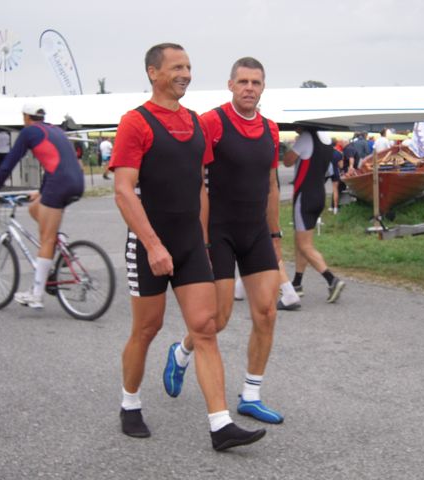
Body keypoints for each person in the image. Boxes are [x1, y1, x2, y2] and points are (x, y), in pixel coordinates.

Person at [110, 43, 265, 451]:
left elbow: (200, 187)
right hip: (149, 245)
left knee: (205, 328)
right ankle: (130, 403)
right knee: (147, 328)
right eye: (176, 67)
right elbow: (123, 191)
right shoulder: (135, 122)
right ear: (153, 72)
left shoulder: (195, 123)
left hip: (191, 245)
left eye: (189, 67)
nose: (185, 74)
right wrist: (153, 245)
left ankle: (220, 425)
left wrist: (204, 242)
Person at [162, 56, 290, 427]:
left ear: (263, 88)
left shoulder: (270, 129)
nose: (249, 88)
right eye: (243, 81)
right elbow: (194, 181)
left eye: (256, 82)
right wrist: (199, 239)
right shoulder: (212, 122)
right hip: (218, 231)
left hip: (256, 232)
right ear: (231, 85)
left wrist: (276, 235)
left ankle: (251, 395)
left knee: (267, 312)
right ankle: (182, 351)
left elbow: (271, 186)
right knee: (216, 319)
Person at [0, 103, 84, 309]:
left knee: (46, 239)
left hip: (59, 184)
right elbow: (56, 162)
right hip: (76, 182)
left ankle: (36, 294)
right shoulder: (55, 130)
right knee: (34, 208)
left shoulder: (29, 132)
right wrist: (40, 191)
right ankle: (59, 240)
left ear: (26, 117)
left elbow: (8, 164)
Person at [283, 127, 345, 302]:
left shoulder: (306, 137)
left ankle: (332, 280)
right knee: (301, 241)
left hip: (304, 197)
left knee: (304, 245)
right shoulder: (326, 138)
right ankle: (297, 283)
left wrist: (291, 145)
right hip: (319, 194)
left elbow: (287, 161)